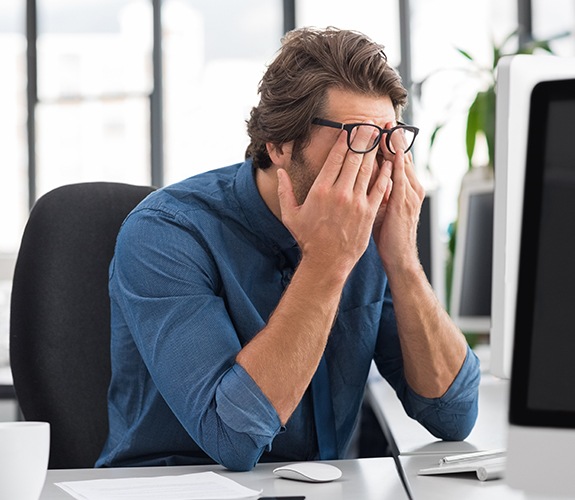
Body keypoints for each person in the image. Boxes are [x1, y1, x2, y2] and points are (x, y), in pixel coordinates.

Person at [96, 26, 480, 471]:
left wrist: (402, 261)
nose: (376, 166)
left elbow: (453, 414)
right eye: (357, 139)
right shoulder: (166, 234)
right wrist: (327, 262)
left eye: (388, 141)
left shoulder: (371, 231)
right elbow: (233, 440)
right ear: (279, 144)